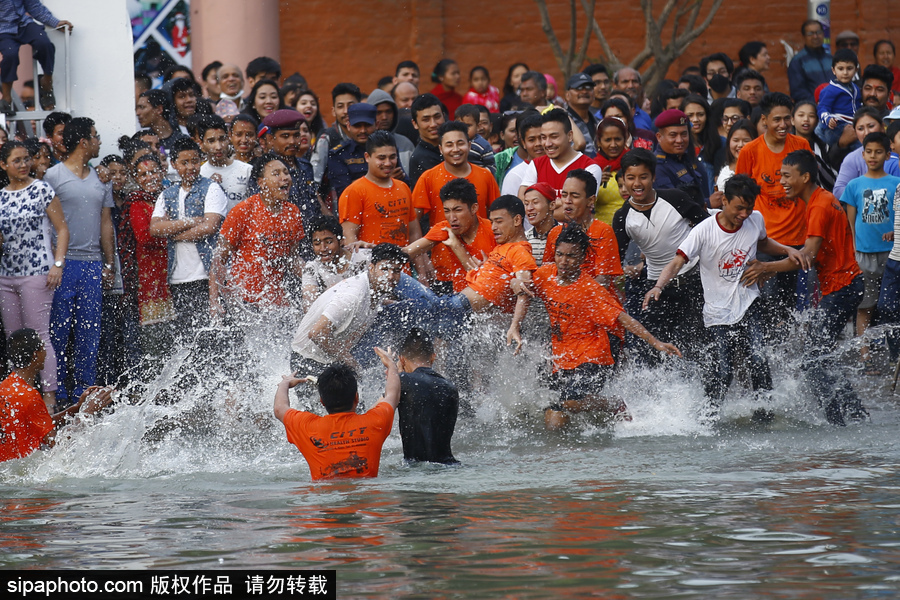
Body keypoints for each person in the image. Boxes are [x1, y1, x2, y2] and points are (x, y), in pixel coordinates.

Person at [645, 175, 809, 414]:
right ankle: (707, 418)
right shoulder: (704, 230)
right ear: (724, 200)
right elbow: (678, 261)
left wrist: (787, 250)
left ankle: (764, 414)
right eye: (739, 208)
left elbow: (762, 243)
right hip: (717, 311)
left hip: (748, 301)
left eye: (749, 208)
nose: (744, 214)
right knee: (724, 370)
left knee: (758, 359)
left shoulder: (756, 219)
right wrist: (659, 286)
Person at [508, 224, 680, 430]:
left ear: (582, 258)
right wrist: (515, 284)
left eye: (571, 256)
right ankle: (571, 458)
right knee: (553, 422)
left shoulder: (590, 290)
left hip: (592, 355)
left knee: (569, 402)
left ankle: (613, 404)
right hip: (561, 356)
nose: (563, 261)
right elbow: (523, 286)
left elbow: (623, 319)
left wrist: (655, 342)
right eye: (559, 254)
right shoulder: (546, 275)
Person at [741, 150, 866, 426]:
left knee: (812, 360)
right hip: (845, 286)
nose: (781, 182)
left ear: (805, 176)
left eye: (787, 176)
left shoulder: (819, 205)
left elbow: (807, 257)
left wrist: (766, 267)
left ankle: (837, 424)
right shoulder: (818, 200)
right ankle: (856, 415)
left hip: (842, 287)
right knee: (821, 356)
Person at [45, 118, 115, 407]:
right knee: (58, 330)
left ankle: (83, 393)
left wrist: (109, 264)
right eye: (96, 137)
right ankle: (58, 393)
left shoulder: (102, 179)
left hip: (92, 264)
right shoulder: (53, 176)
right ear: (84, 142)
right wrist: (52, 263)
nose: (99, 142)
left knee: (90, 332)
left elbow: (106, 222)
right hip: (64, 263)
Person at [614, 148, 709, 363]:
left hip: (694, 279)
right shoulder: (622, 217)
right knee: (655, 351)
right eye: (631, 178)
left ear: (653, 177)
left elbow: (708, 227)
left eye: (643, 177)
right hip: (657, 288)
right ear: (623, 180)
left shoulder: (675, 198)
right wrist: (629, 268)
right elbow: (615, 259)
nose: (637, 184)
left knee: (699, 346)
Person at [0, 141, 69, 411]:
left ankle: (50, 400)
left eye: (26, 159)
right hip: (5, 275)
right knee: (14, 338)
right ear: (4, 165)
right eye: (16, 160)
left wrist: (58, 264)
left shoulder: (41, 189)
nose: (24, 164)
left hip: (38, 271)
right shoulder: (1, 196)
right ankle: (21, 400)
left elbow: (62, 229)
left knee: (39, 336)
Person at [735, 92, 812, 323]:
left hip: (798, 238)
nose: (783, 125)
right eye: (777, 119)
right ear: (764, 120)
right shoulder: (750, 151)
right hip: (763, 241)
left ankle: (786, 355)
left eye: (787, 119)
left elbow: (811, 186)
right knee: (765, 303)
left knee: (792, 307)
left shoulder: (801, 146)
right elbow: (741, 193)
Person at [274, 346, 399, 480]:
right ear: (356, 398)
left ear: (322, 401)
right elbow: (393, 394)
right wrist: (391, 365)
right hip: (368, 498)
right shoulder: (376, 421)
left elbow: (279, 409)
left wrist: (284, 384)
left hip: (324, 498)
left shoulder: (307, 426)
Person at [290, 243, 408, 377]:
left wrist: (397, 303)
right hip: (307, 361)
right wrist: (349, 361)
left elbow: (372, 300)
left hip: (327, 358)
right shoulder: (352, 296)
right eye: (385, 269)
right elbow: (317, 334)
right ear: (371, 267)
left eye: (396, 271)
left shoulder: (374, 288)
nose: (390, 276)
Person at [149, 137, 227, 338]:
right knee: (188, 337)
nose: (191, 167)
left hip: (207, 275)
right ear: (174, 164)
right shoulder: (167, 194)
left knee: (214, 336)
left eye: (195, 161)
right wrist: (191, 221)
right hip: (178, 277)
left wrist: (172, 232)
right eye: (184, 163)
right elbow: (155, 229)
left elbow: (210, 227)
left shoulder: (211, 188)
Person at [210, 153, 305, 313]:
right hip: (244, 301)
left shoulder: (292, 212)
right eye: (276, 174)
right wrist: (215, 301)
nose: (284, 178)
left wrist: (315, 278)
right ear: (261, 183)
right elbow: (219, 259)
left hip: (277, 300)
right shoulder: (243, 211)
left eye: (286, 172)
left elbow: (293, 258)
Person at [0, 329, 112, 462]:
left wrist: (77, 408)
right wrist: (88, 412)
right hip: (23, 473)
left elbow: (38, 421)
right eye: (43, 347)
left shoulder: (6, 387)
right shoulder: (29, 396)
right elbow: (58, 446)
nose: (46, 353)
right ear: (36, 355)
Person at [839, 132, 900, 367]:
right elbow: (851, 223)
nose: (873, 156)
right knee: (865, 305)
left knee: (891, 306)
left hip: (893, 254)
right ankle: (865, 356)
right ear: (862, 154)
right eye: (869, 151)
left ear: (888, 154)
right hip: (863, 254)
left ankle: (894, 354)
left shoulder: (896, 184)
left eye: (878, 152)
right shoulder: (854, 185)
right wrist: (854, 251)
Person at [338, 131, 425, 277]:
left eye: (392, 157)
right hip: (373, 275)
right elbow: (349, 240)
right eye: (381, 158)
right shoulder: (354, 191)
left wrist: (422, 274)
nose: (388, 163)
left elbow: (414, 234)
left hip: (403, 274)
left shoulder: (403, 187)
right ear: (367, 157)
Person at [127, 153, 176, 379]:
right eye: (143, 174)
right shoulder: (138, 203)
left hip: (174, 269)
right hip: (152, 274)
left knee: (175, 331)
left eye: (153, 171)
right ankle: (157, 383)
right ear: (136, 179)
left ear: (162, 172)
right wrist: (176, 233)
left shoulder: (170, 197)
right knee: (155, 335)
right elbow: (144, 236)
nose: (149, 177)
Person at [404, 178, 496, 295]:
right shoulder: (445, 228)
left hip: (488, 300)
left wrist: (456, 245)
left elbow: (480, 279)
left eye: (457, 210)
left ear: (474, 208)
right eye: (447, 211)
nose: (452, 218)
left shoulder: (494, 231)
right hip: (459, 300)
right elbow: (407, 252)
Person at [542, 170, 622, 287]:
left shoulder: (603, 231)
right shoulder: (555, 233)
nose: (568, 201)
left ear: (591, 200)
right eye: (564, 195)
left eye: (574, 196)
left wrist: (571, 295)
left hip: (594, 300)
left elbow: (603, 280)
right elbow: (547, 273)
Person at [413, 121, 500, 227]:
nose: (455, 149)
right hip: (443, 242)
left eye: (460, 143)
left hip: (480, 242)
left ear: (469, 145)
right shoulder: (428, 178)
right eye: (449, 145)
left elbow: (498, 213)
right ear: (441, 149)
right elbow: (413, 219)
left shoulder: (485, 175)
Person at [255, 109, 324, 240]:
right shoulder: (264, 169)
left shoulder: (305, 165)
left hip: (313, 240)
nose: (292, 141)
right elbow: (259, 211)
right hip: (282, 239)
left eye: (296, 135)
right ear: (270, 138)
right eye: (285, 136)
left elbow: (316, 202)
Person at [397, 327, 459, 465]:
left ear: (401, 359)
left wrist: (394, 375)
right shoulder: (450, 387)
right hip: (450, 466)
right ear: (433, 357)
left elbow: (378, 412)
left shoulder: (402, 381)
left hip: (415, 469)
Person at [0, 0, 72, 114]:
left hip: (24, 24)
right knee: (10, 54)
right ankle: (6, 96)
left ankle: (46, 82)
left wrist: (55, 22)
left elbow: (34, 6)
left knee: (44, 43)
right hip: (3, 30)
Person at [518, 108, 604, 200]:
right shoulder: (536, 165)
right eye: (543, 137)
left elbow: (577, 207)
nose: (547, 143)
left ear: (570, 136)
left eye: (554, 137)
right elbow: (524, 202)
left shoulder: (590, 167)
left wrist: (541, 203)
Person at [301, 215, 370, 312]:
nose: (323, 248)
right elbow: (309, 308)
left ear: (341, 241)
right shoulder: (312, 269)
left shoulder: (363, 258)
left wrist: (375, 248)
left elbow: (396, 257)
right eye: (317, 244)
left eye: (329, 242)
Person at [653, 109, 718, 209]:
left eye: (684, 134)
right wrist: (708, 203)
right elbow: (671, 204)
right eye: (673, 135)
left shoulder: (688, 157)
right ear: (659, 137)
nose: (679, 140)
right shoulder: (657, 166)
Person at [832, 108, 900, 198]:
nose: (866, 132)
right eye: (860, 129)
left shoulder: (896, 150)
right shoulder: (852, 158)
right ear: (855, 132)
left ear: (882, 127)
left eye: (871, 126)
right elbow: (838, 191)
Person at [197, 114, 251, 213]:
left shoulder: (247, 170)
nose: (218, 147)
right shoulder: (199, 175)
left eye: (222, 139)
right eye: (211, 141)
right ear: (201, 144)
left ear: (228, 139)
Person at [815, 49, 862, 148]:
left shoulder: (856, 88)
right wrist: (828, 119)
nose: (845, 72)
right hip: (836, 128)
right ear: (833, 70)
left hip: (852, 125)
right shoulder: (830, 90)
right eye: (841, 69)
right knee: (859, 146)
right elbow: (822, 108)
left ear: (856, 70)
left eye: (849, 68)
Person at [366, 88, 416, 175]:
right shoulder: (363, 144)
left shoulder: (406, 144)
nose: (384, 117)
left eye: (388, 111)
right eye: (379, 112)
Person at [792, 101, 837, 192]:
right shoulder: (785, 145)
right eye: (801, 115)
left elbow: (833, 179)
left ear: (817, 121)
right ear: (792, 120)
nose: (806, 119)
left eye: (811, 116)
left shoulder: (824, 147)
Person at [592, 116, 629, 223]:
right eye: (608, 140)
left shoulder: (634, 164)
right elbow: (583, 204)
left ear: (625, 139)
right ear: (599, 142)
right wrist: (595, 183)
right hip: (602, 232)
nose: (613, 145)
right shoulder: (593, 168)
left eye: (617, 139)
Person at [498, 111, 543, 195]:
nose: (538, 144)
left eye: (542, 138)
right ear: (523, 142)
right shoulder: (514, 176)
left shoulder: (556, 167)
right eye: (531, 140)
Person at [788, 19, 833, 103]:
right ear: (803, 37)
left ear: (823, 34)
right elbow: (798, 92)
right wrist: (819, 103)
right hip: (812, 109)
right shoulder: (798, 61)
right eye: (810, 34)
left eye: (818, 32)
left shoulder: (831, 59)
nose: (815, 36)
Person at [408, 93, 446, 187]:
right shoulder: (419, 159)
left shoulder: (455, 145)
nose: (433, 124)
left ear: (444, 116)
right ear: (415, 124)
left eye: (437, 117)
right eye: (426, 120)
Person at [716, 119, 757, 192]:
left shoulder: (759, 169)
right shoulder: (725, 172)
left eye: (746, 141)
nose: (740, 145)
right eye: (736, 140)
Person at [565, 73, 600, 157]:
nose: (584, 91)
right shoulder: (561, 121)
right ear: (567, 95)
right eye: (579, 88)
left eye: (588, 88)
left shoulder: (599, 122)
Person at [455, 103, 496, 174]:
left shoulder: (483, 145)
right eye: (460, 125)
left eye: (468, 125)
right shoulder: (453, 143)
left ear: (477, 126)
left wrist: (479, 175)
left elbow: (492, 167)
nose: (464, 129)